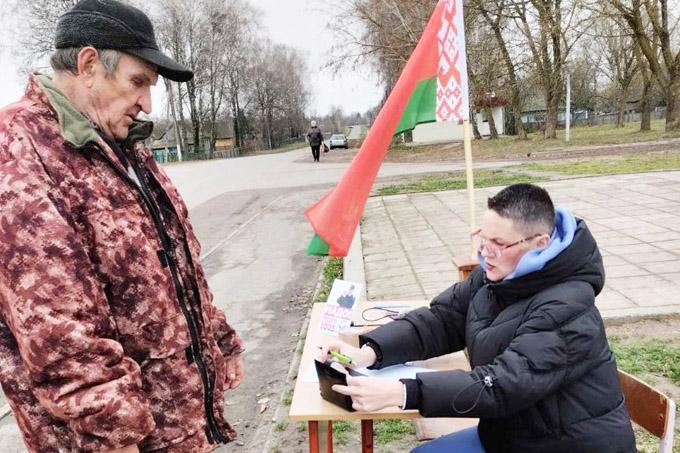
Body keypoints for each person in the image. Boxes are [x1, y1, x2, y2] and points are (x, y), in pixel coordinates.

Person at [0, 1, 244, 452]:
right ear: (89, 64)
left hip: (175, 424)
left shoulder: (119, 144)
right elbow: (59, 335)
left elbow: (173, 262)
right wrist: (117, 439)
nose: (147, 103)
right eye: (138, 82)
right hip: (114, 440)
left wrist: (218, 339)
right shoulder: (19, 150)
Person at [320, 183, 636, 453]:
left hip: (565, 445)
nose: (485, 252)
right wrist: (368, 351)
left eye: (498, 243)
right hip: (511, 436)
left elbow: (503, 385)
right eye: (482, 238)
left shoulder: (569, 308)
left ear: (540, 243)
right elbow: (442, 319)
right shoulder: (496, 275)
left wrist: (403, 392)